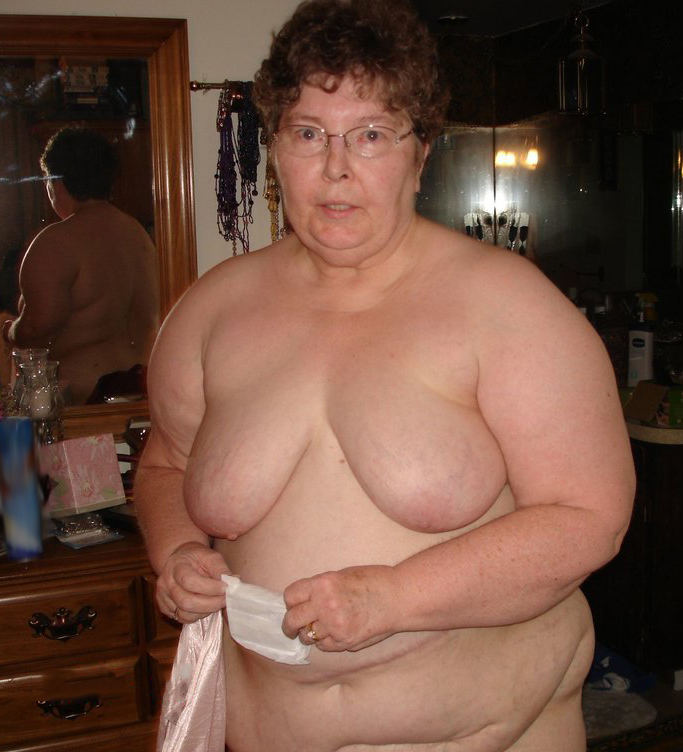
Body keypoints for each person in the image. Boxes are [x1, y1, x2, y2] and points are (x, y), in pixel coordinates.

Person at [135, 1, 635, 749]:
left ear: (420, 152)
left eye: (371, 134)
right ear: (274, 147)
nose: (336, 168)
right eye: (309, 133)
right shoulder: (210, 311)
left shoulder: (509, 306)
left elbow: (590, 517)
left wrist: (394, 598)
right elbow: (165, 464)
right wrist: (177, 552)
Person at [1, 126, 159, 404]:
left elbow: (36, 329)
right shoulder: (138, 235)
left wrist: (8, 329)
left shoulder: (56, 243)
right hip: (141, 392)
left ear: (55, 183)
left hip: (86, 401)